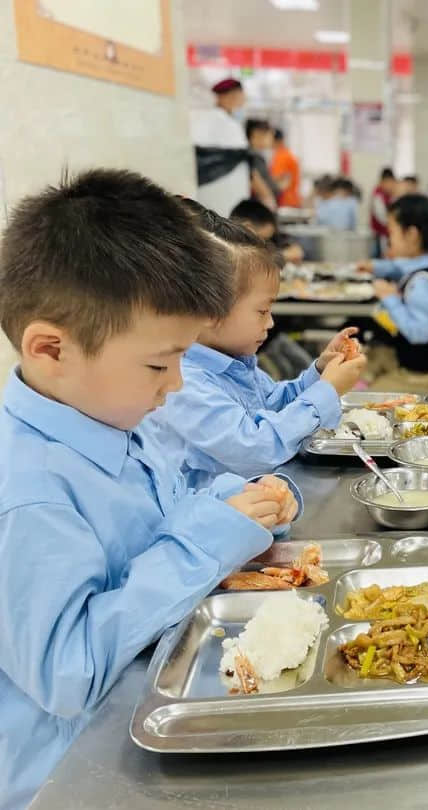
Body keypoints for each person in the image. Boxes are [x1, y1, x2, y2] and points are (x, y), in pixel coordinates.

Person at [0, 170, 301, 810]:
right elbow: (67, 673)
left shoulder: (107, 419)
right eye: (161, 365)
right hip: (71, 773)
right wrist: (213, 539)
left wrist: (237, 502)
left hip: (150, 712)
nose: (176, 387)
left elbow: (167, 516)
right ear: (52, 349)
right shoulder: (27, 494)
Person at [146, 206, 367, 490]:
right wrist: (327, 391)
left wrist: (320, 371)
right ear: (211, 312)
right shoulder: (185, 384)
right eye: (262, 311)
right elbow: (255, 448)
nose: (271, 322)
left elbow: (273, 403)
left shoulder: (233, 362)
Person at [353, 194, 428, 392]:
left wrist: (390, 299)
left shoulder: (421, 284)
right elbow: (399, 267)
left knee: (362, 397)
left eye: (391, 231)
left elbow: (421, 334)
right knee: (361, 363)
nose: (388, 238)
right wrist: (375, 267)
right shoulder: (427, 264)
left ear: (411, 234)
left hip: (424, 374)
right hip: (418, 364)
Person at [192, 78, 251, 216]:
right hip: (220, 192)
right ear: (227, 96)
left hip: (224, 193)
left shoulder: (225, 121)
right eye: (239, 95)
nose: (242, 100)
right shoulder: (218, 121)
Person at [230, 198, 304, 263]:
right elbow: (251, 261)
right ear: (248, 228)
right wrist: (282, 256)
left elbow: (291, 248)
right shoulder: (227, 250)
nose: (263, 244)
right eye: (263, 238)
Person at [244, 119, 278, 210]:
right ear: (257, 134)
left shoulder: (250, 154)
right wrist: (269, 202)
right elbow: (256, 182)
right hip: (257, 207)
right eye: (270, 135)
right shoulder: (253, 157)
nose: (272, 139)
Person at [270, 128, 302, 208]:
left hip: (285, 201)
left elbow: (277, 178)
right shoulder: (288, 154)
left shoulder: (281, 156)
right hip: (293, 200)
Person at [370, 167, 396, 256]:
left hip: (389, 233)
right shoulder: (378, 195)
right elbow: (382, 218)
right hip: (380, 233)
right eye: (388, 183)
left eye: (392, 183)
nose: (390, 186)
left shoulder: (391, 194)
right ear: (382, 182)